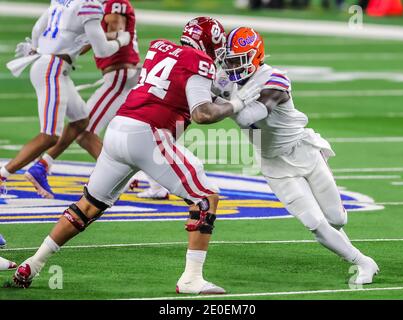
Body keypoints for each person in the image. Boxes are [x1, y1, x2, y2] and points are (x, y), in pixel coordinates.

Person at [12, 17, 260, 294]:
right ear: (209, 42)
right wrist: (237, 102)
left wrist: (219, 93)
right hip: (148, 134)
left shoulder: (160, 47)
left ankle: (33, 263)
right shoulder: (199, 61)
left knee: (88, 206)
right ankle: (191, 279)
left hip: (119, 130)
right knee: (205, 197)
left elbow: (178, 86)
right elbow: (201, 114)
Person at [217, 27, 379, 285]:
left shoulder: (276, 79)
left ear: (256, 55)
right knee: (315, 224)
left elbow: (249, 117)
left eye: (240, 59)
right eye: (231, 60)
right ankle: (362, 261)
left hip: (304, 152)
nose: (234, 66)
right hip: (273, 163)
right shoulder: (224, 80)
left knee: (336, 219)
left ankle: (343, 245)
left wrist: (225, 101)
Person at [0, 0, 131, 196]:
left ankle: (40, 170)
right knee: (50, 135)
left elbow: (38, 29)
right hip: (52, 68)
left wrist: (37, 47)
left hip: (54, 66)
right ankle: (3, 175)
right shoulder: (90, 5)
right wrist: (122, 40)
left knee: (81, 121)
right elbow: (102, 50)